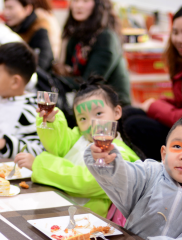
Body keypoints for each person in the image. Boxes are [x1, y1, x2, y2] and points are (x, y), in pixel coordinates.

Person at [14, 76, 142, 218]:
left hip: (90, 223)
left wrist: (39, 165)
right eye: (83, 118)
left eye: (98, 114)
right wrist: (51, 121)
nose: (91, 123)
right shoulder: (79, 137)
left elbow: (87, 181)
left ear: (117, 112)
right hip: (61, 212)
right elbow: (58, 142)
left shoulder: (118, 154)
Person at [85, 116, 182, 239]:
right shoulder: (149, 174)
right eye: (177, 146)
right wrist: (105, 158)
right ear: (164, 154)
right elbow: (119, 175)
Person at [123, 3, 182, 160]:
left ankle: (157, 175)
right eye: (175, 32)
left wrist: (154, 105)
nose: (179, 40)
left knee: (134, 125)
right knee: (128, 113)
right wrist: (155, 102)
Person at [53, 0, 130, 106]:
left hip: (114, 107)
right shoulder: (76, 35)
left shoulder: (106, 37)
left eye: (85, 1)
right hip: (90, 102)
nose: (79, 5)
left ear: (99, 4)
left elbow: (90, 83)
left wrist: (54, 80)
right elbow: (67, 71)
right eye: (75, 1)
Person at [4, 0, 54, 71]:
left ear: (27, 9)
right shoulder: (5, 30)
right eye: (5, 8)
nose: (6, 13)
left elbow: (43, 62)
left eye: (11, 8)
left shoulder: (38, 29)